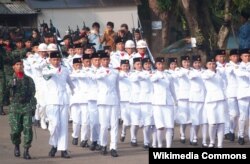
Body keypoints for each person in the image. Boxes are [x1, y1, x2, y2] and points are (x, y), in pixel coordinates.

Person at [42, 51, 74, 158]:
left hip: (64, 100)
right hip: (52, 101)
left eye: (58, 59)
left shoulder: (64, 70)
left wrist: (74, 90)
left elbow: (70, 82)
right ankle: (54, 144)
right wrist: (54, 71)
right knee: (54, 125)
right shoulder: (47, 69)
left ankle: (63, 149)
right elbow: (46, 76)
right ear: (50, 60)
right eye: (54, 60)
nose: (56, 61)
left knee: (63, 126)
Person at [6, 58, 36, 159]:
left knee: (28, 129)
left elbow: (33, 93)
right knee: (15, 130)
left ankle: (26, 150)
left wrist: (33, 106)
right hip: (14, 107)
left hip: (26, 106)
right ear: (13, 67)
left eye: (21, 64)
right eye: (17, 64)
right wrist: (10, 85)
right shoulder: (10, 79)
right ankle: (16, 145)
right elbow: (5, 92)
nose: (19, 66)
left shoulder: (28, 79)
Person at [95, 52, 120, 157]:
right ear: (100, 61)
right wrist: (106, 72)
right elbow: (98, 78)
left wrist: (119, 100)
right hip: (103, 100)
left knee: (114, 125)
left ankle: (113, 147)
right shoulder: (98, 71)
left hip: (114, 100)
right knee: (104, 125)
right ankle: (103, 144)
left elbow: (117, 87)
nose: (106, 61)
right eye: (103, 60)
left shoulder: (115, 72)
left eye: (107, 60)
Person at [150, 57, 176, 148]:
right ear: (156, 65)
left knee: (169, 126)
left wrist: (175, 100)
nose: (161, 66)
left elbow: (172, 89)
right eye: (159, 64)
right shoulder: (153, 75)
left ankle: (168, 146)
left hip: (168, 103)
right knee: (160, 127)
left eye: (162, 64)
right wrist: (158, 75)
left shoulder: (168, 75)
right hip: (157, 104)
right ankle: (160, 144)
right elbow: (152, 80)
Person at [201, 55, 227, 148]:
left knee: (221, 122)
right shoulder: (204, 73)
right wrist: (214, 72)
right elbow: (208, 77)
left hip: (221, 99)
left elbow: (225, 83)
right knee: (212, 123)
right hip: (211, 100)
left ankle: (220, 144)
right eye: (210, 64)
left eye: (213, 64)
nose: (212, 65)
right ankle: (212, 141)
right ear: (206, 65)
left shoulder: (219, 72)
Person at [188, 55, 207, 147]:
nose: (198, 64)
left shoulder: (205, 71)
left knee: (204, 121)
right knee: (195, 120)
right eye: (195, 63)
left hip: (204, 98)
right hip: (194, 99)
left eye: (199, 62)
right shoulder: (190, 72)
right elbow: (192, 76)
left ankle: (204, 140)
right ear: (192, 64)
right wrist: (201, 73)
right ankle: (194, 137)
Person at [234, 48, 250, 145]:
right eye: (245, 56)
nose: (247, 57)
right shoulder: (237, 66)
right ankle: (241, 135)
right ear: (241, 57)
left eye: (248, 56)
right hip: (243, 94)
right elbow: (239, 74)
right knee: (243, 117)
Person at [224, 49, 240, 142]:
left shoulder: (241, 65)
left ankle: (235, 132)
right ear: (230, 57)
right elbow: (230, 71)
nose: (236, 58)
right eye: (234, 56)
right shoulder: (228, 65)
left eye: (237, 56)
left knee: (239, 116)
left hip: (241, 93)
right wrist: (236, 68)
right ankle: (230, 130)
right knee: (233, 115)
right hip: (231, 93)